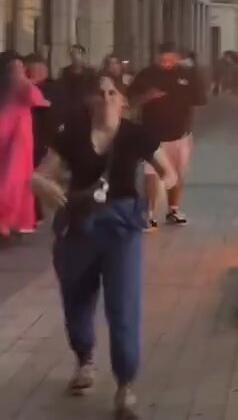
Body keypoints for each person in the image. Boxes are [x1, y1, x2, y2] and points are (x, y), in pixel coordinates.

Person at [30, 73, 174, 420]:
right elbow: (40, 173)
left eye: (113, 93)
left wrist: (158, 193)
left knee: (123, 304)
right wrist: (41, 185)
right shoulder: (72, 136)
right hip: (79, 226)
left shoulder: (138, 136)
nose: (107, 97)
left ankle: (125, 386)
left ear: (123, 101)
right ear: (91, 102)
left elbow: (169, 173)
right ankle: (85, 358)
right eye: (101, 93)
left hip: (122, 228)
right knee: (76, 297)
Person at [127, 42, 206, 228]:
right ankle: (150, 213)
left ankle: (173, 209)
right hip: (152, 134)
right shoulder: (146, 75)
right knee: (151, 175)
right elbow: (131, 101)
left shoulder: (187, 75)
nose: (167, 62)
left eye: (171, 59)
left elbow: (199, 100)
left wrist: (190, 129)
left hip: (180, 134)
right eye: (163, 59)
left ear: (178, 58)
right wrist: (149, 96)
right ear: (157, 57)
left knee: (177, 174)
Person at [0, 51, 47, 236]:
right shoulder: (18, 80)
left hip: (9, 132)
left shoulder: (5, 84)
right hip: (16, 137)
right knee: (14, 180)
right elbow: (35, 98)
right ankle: (4, 222)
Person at [60, 44, 97, 109]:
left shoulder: (90, 72)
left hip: (86, 106)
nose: (75, 56)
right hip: (70, 105)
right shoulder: (65, 71)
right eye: (73, 53)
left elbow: (94, 89)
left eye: (78, 53)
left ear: (83, 55)